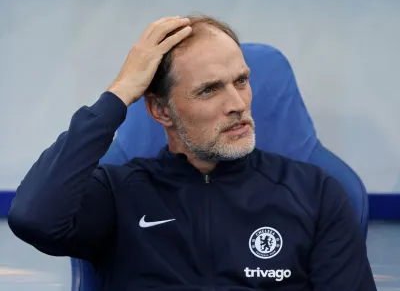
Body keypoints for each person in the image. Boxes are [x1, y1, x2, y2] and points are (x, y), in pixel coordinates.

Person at [8, 15, 376, 291]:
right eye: (209, 90)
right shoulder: (118, 193)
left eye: (241, 81)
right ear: (161, 111)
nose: (237, 104)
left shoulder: (316, 193)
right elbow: (33, 218)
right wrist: (119, 94)